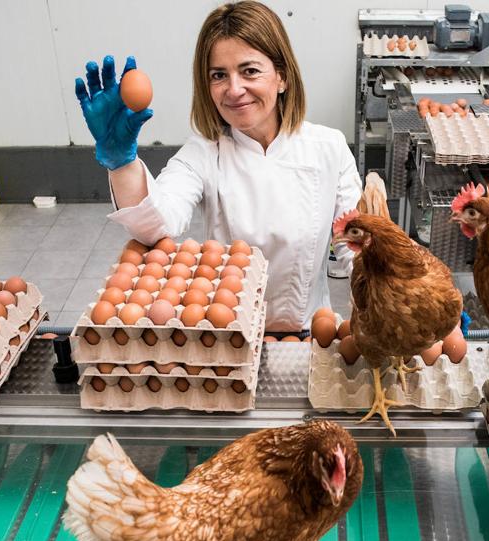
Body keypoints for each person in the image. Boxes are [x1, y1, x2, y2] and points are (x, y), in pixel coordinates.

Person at [75, 1, 361, 333]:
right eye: (219, 75)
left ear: (282, 76)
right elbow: (158, 224)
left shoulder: (328, 147)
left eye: (249, 70)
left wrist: (385, 287)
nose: (234, 89)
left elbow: (355, 240)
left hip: (310, 333)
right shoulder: (205, 152)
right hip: (228, 338)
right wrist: (122, 163)